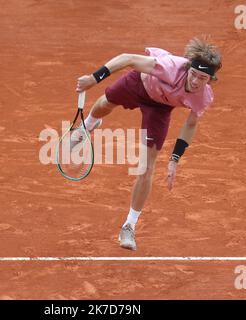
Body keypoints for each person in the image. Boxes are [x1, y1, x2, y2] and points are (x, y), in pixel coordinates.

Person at [75, 37, 222, 250]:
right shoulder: (170, 67)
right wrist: (93, 79)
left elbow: (190, 125)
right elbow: (127, 59)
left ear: (210, 79)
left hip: (159, 109)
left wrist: (174, 159)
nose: (197, 81)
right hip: (138, 85)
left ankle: (129, 226)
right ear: (188, 69)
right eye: (194, 74)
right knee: (104, 105)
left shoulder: (203, 97)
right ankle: (87, 126)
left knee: (146, 168)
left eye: (203, 78)